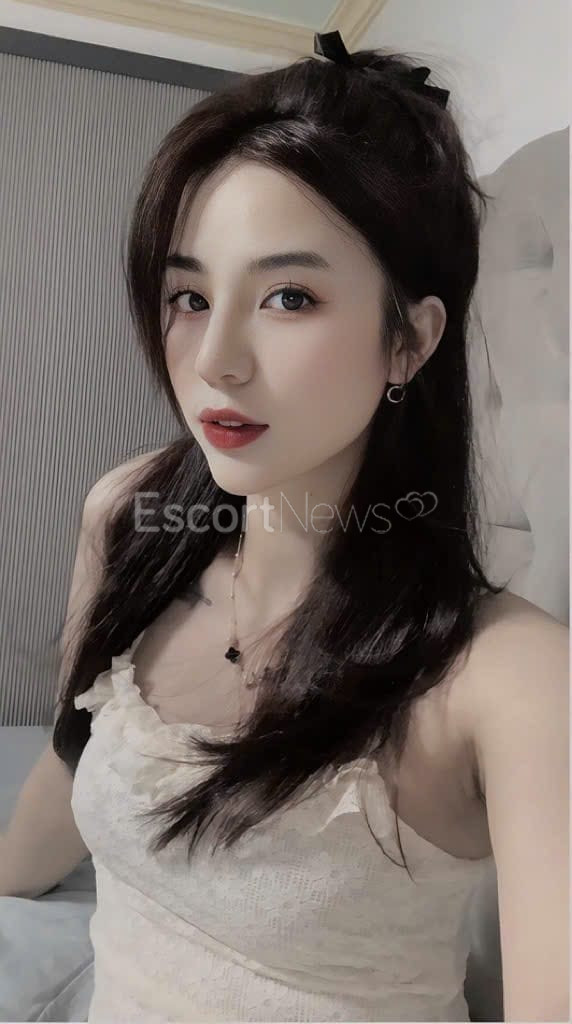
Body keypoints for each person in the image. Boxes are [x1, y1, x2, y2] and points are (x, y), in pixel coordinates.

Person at [3, 29, 568, 1023]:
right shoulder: (128, 517)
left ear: (410, 339)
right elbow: (73, 761)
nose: (213, 359)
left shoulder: (508, 677)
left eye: (288, 296)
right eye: (188, 295)